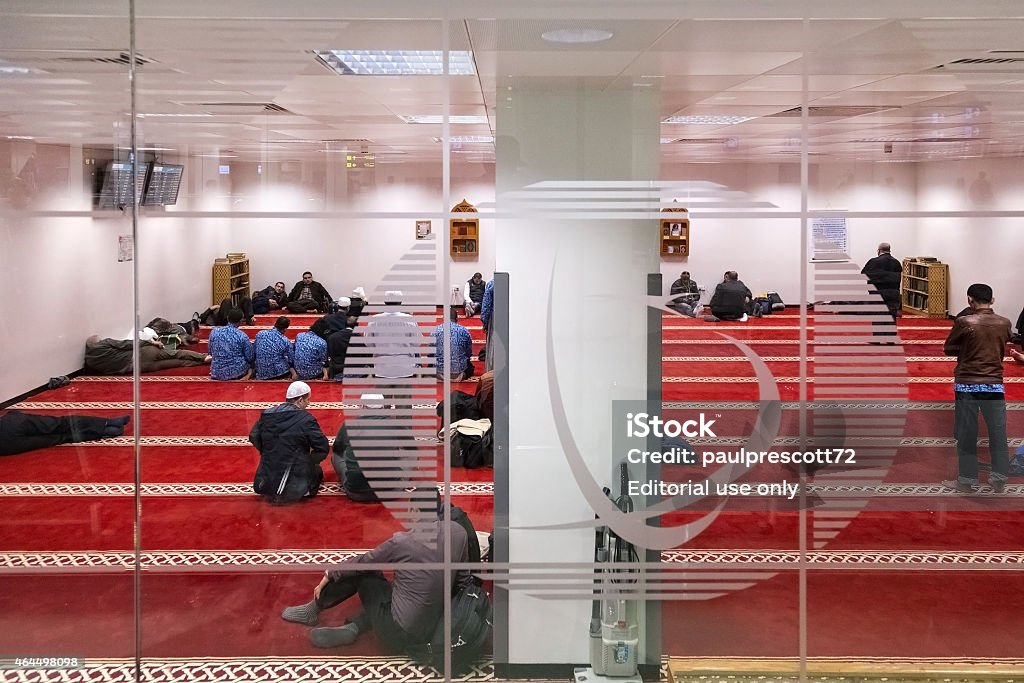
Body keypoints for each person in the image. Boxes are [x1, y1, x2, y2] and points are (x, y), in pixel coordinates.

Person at [280, 499, 471, 652]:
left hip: (400, 634)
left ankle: (313, 609)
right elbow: (463, 581)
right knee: (400, 589)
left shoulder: (403, 542)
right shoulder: (458, 532)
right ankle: (354, 627)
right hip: (436, 626)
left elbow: (363, 563)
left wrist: (329, 574)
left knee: (365, 574)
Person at [942, 283, 1012, 494]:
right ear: (992, 300)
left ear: (970, 300)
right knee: (998, 431)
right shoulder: (1005, 323)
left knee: (967, 432)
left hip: (967, 384)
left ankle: (967, 480)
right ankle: (999, 478)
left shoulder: (964, 321)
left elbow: (948, 349)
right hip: (994, 384)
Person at [250, 381, 329, 504]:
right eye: (308, 399)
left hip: (266, 480)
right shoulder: (306, 420)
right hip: (292, 481)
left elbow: (253, 436)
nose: (309, 403)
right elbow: (323, 447)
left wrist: (267, 451)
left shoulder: (267, 415)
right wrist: (309, 461)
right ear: (300, 400)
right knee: (317, 472)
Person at [0, 412, 131, 456]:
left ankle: (105, 431)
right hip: (11, 426)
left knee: (60, 438)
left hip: (7, 446)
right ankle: (107, 423)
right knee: (61, 424)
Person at [84, 331, 210, 375]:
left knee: (177, 363)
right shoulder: (104, 343)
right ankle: (203, 358)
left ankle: (199, 363)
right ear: (97, 342)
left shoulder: (92, 362)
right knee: (177, 353)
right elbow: (129, 344)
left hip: (138, 368)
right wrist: (152, 342)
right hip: (144, 354)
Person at [365, 291, 423, 380]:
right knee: (404, 394)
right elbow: (417, 343)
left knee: (383, 394)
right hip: (405, 366)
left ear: (385, 301)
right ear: (400, 302)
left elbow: (368, 344)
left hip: (382, 367)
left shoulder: (374, 320)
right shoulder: (409, 320)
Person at [208, 308, 254, 380]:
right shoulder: (242, 335)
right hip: (237, 372)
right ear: (241, 321)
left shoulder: (214, 332)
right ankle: (248, 375)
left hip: (216, 373)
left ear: (227, 318)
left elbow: (210, 352)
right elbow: (250, 357)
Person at [861, 242, 903, 320]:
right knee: (891, 317)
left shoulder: (873, 261)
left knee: (878, 317)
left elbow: (864, 274)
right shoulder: (897, 263)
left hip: (878, 293)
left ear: (879, 250)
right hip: (893, 294)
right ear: (889, 250)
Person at [433, 307, 474, 381]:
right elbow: (469, 353)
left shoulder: (435, 331)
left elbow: (430, 353)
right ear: (456, 318)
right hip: (459, 373)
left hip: (439, 372)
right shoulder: (464, 331)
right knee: (470, 366)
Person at [480, 278, 495, 369]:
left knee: (493, 345)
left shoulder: (491, 284)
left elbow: (486, 307)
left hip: (495, 317)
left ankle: (492, 371)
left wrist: (485, 323)